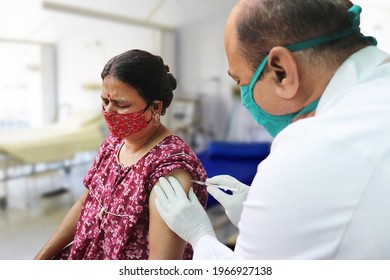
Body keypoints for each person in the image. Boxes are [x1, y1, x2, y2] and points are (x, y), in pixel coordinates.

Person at [154, 0, 390, 259]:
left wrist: (200, 237)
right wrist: (254, 212)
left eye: (241, 82)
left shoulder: (309, 151)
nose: (245, 99)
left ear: (281, 71)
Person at [34, 49, 208, 260]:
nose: (109, 112)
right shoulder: (114, 143)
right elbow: (89, 201)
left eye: (121, 104)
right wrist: (41, 257)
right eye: (105, 101)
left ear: (155, 107)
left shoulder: (170, 170)